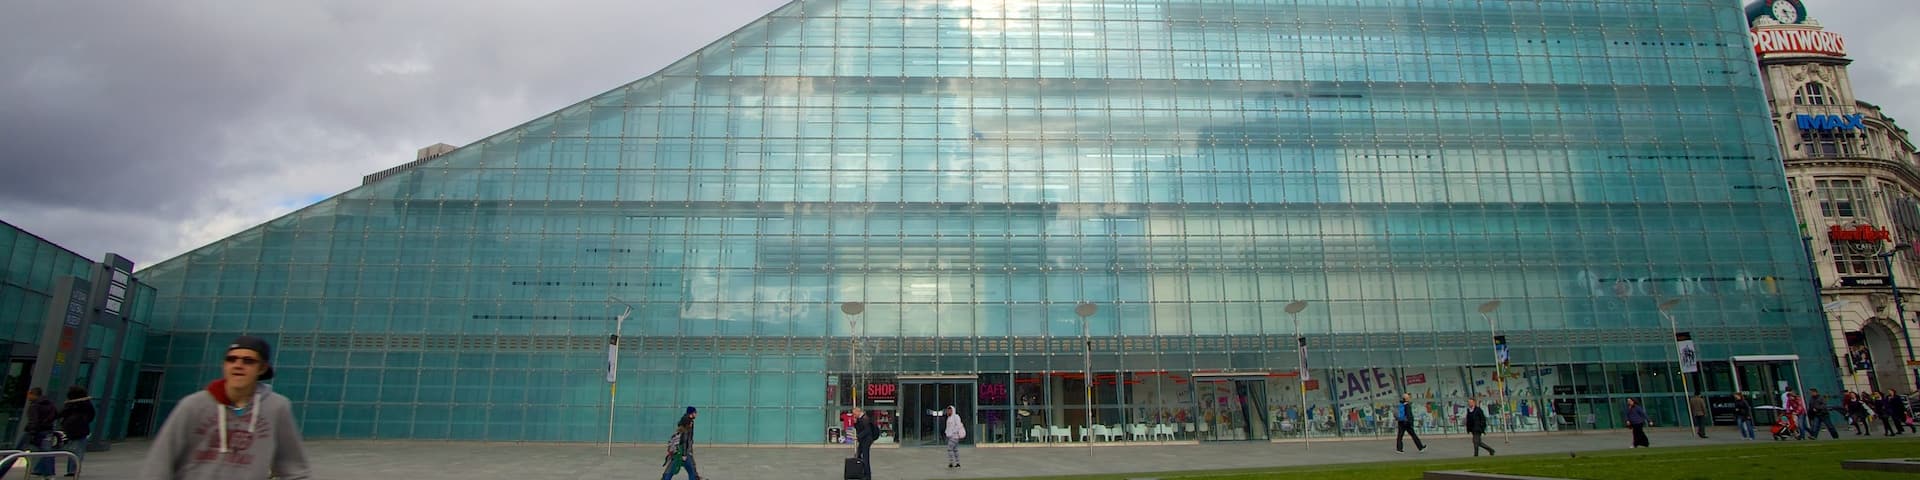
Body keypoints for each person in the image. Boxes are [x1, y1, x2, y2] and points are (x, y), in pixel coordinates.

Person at [139, 335, 311, 480]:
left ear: (262, 368)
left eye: (248, 361)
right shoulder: (193, 406)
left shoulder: (276, 408)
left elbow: (295, 469)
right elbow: (159, 464)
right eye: (231, 359)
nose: (238, 365)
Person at [1, 387, 58, 478]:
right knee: (47, 453)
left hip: (33, 432)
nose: (28, 396)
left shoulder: (34, 405)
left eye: (29, 394)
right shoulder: (50, 404)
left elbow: (33, 420)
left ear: (32, 394)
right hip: (46, 431)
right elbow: (55, 415)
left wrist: (32, 432)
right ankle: (50, 474)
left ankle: (2, 471)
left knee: (15, 453)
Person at [53, 385, 96, 476]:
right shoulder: (87, 404)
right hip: (81, 429)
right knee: (78, 451)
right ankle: (73, 470)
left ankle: (72, 470)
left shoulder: (70, 405)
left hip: (70, 429)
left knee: (72, 450)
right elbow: (91, 415)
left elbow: (61, 413)